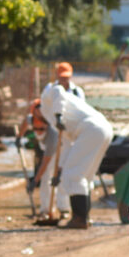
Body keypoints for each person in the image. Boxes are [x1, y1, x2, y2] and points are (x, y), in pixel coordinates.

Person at [39, 82, 113, 229]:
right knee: (84, 176)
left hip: (90, 129)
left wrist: (59, 116)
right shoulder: (53, 115)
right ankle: (84, 217)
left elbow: (58, 91)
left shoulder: (47, 96)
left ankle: (79, 218)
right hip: (101, 129)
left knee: (74, 175)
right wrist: (58, 171)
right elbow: (66, 145)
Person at [17, 99, 68, 225]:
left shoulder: (52, 133)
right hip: (45, 148)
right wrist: (19, 137)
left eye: (42, 128)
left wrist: (35, 180)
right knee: (45, 178)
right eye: (37, 128)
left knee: (57, 178)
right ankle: (45, 210)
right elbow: (25, 122)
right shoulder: (31, 119)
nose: (39, 130)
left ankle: (63, 208)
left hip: (59, 149)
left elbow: (45, 163)